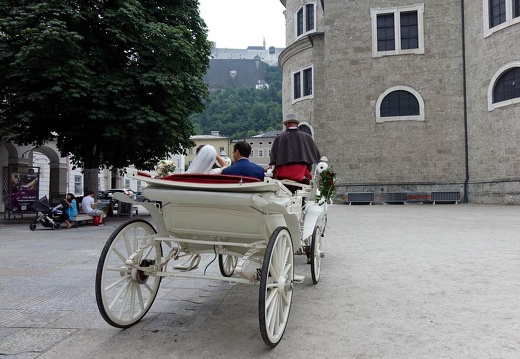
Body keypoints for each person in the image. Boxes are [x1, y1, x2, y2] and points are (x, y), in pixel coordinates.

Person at [269, 113, 321, 183]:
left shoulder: (279, 138)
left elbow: (273, 159)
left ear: (286, 124)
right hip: (302, 173)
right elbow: (317, 156)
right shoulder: (307, 137)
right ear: (297, 124)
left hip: (283, 174)